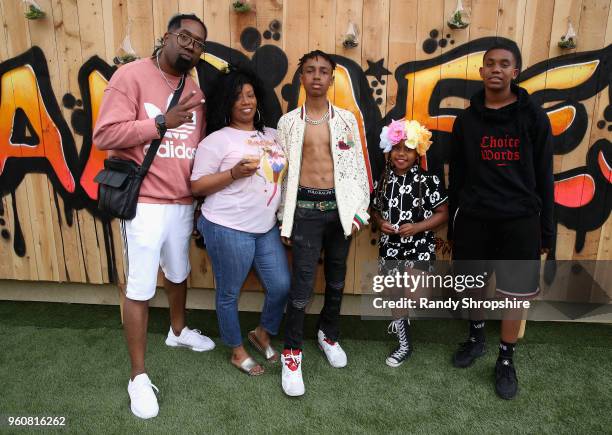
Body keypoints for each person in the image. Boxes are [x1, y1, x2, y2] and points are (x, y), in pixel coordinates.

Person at [93, 14, 214, 419]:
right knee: (141, 286)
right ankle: (138, 376)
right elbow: (104, 136)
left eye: (199, 43)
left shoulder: (194, 89)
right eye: (185, 37)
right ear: (166, 37)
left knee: (178, 273)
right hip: (144, 203)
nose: (191, 47)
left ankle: (177, 332)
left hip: (182, 203)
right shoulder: (130, 76)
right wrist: (161, 121)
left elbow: (195, 149)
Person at [448, 40, 554, 400]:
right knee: (474, 286)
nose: (496, 69)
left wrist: (546, 230)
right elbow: (457, 176)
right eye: (490, 63)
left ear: (515, 71)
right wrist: (453, 225)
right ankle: (477, 337)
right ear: (481, 72)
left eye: (504, 64)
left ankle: (505, 360)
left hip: (520, 220)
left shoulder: (533, 117)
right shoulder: (465, 120)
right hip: (475, 218)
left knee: (514, 297)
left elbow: (545, 175)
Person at [277, 50, 370, 397]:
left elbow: (358, 169)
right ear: (301, 78)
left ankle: (328, 334)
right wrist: (283, 219)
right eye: (310, 71)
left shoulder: (346, 119)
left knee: (336, 280)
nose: (316, 76)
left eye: (323, 71)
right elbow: (280, 175)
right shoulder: (288, 123)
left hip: (340, 214)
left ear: (332, 79)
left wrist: (359, 211)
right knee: (301, 287)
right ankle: (292, 352)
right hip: (304, 212)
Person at [191, 67, 290, 376]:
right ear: (226, 103)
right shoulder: (216, 141)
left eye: (250, 94)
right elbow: (197, 187)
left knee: (281, 286)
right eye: (237, 97)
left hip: (265, 227)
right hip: (227, 227)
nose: (246, 102)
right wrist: (233, 173)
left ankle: (262, 333)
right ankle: (236, 350)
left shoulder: (272, 135)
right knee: (229, 293)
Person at [372, 119, 448, 367]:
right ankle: (404, 343)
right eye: (397, 148)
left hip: (419, 246)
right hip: (391, 246)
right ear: (389, 151)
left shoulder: (429, 181)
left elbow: (442, 213)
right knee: (396, 294)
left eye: (408, 148)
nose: (401, 154)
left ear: (418, 153)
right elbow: (374, 210)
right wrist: (380, 221)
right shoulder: (383, 180)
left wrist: (417, 227)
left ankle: (404, 318)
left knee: (415, 295)